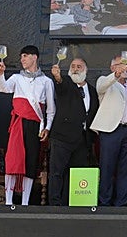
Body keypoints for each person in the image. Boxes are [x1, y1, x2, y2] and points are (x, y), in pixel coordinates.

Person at [0, 45, 56, 206]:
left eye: (25, 56)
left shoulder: (46, 81)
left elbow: (50, 109)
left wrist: (47, 128)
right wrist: (0, 74)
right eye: (21, 56)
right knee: (13, 160)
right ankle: (8, 201)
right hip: (18, 124)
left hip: (35, 125)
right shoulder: (17, 78)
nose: (22, 59)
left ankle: (25, 202)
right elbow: (3, 89)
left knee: (31, 161)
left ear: (34, 57)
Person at [90, 56, 127, 206]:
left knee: (126, 170)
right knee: (107, 168)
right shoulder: (105, 82)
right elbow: (101, 87)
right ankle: (104, 202)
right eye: (119, 65)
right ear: (112, 68)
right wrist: (115, 76)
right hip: (111, 131)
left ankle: (122, 204)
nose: (123, 68)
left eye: (125, 65)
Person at [48, 58, 98, 206]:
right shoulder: (67, 84)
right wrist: (57, 76)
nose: (75, 69)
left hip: (82, 140)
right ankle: (55, 206)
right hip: (62, 137)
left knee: (76, 174)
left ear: (86, 70)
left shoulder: (92, 90)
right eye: (73, 66)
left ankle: (72, 204)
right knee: (57, 173)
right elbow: (60, 83)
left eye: (79, 66)